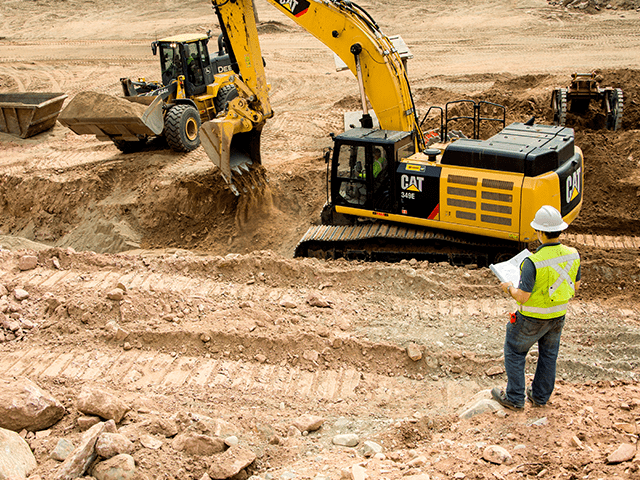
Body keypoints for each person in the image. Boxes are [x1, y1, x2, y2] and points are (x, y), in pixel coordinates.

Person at [491, 205, 581, 411]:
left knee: (514, 351)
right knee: (549, 355)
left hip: (531, 317)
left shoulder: (532, 262)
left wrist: (509, 288)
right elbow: (575, 287)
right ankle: (540, 396)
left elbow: (523, 297)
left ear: (539, 232)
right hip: (558, 316)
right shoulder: (573, 254)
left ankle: (514, 398)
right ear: (559, 229)